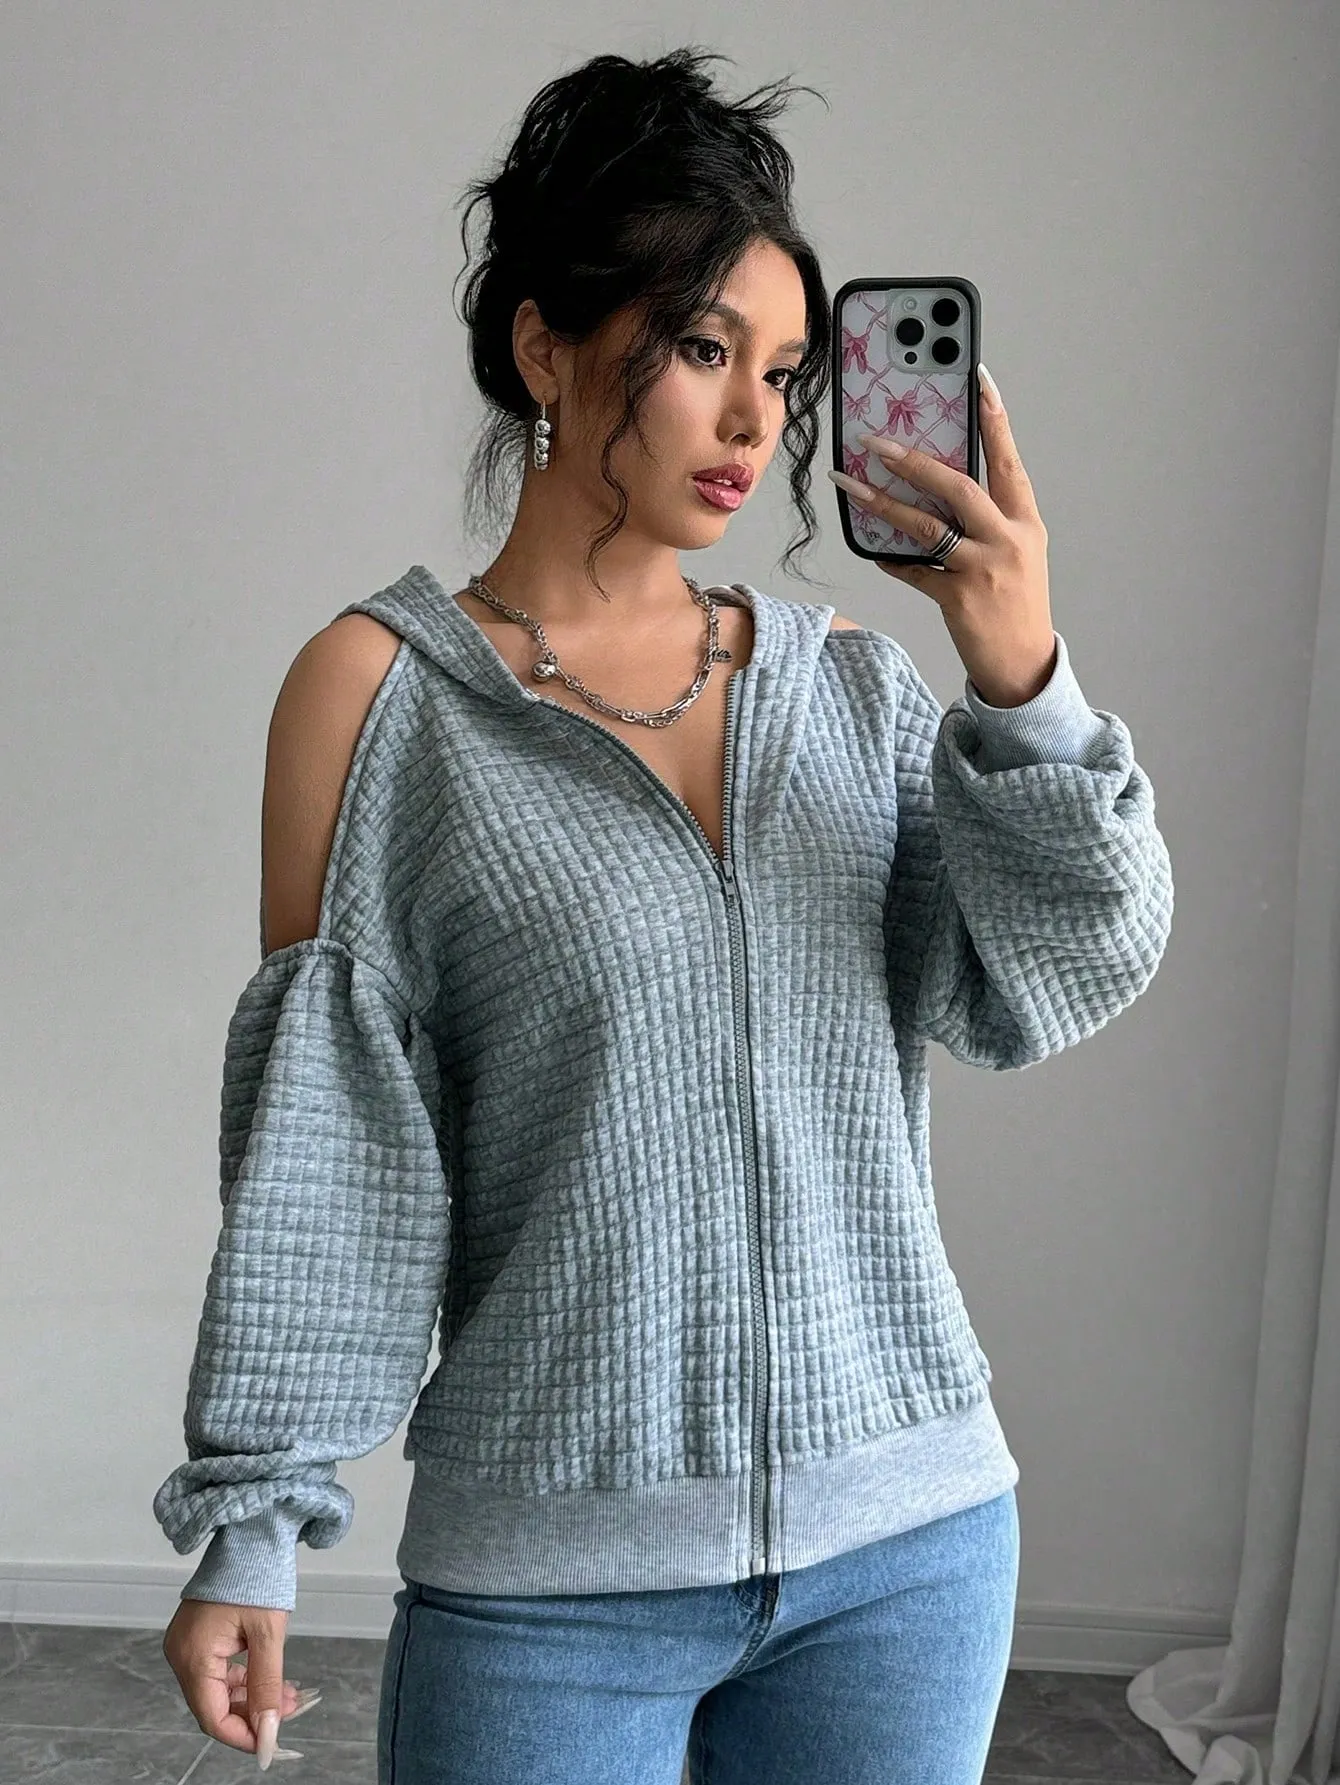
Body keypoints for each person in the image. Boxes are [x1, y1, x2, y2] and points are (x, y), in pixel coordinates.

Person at [154, 45, 1174, 1784]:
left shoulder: (849, 689)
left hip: (908, 1552)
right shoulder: (378, 700)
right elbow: (335, 1155)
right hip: (550, 1592)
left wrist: (1023, 678)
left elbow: (1053, 978)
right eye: (705, 350)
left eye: (782, 372)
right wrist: (258, 1518)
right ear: (544, 345)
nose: (758, 424)